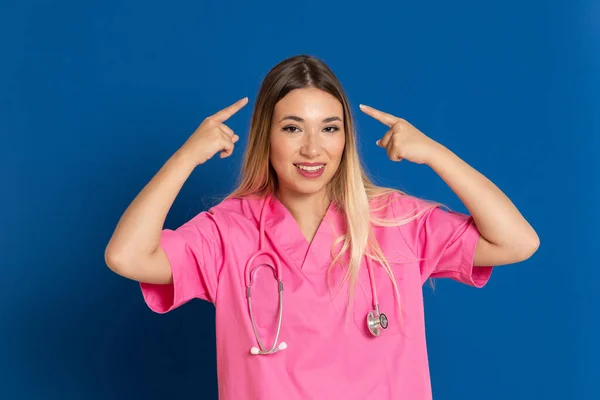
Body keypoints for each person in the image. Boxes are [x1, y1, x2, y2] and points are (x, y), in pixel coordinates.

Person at [104, 54, 539, 400]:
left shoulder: (395, 220)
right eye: (292, 128)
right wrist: (185, 158)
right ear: (265, 137)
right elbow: (126, 256)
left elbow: (517, 241)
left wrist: (434, 153)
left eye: (329, 128)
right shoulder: (228, 231)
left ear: (346, 138)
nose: (313, 148)